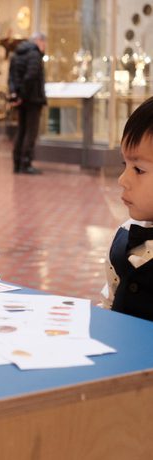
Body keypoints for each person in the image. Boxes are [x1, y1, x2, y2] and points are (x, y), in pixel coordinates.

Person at [101, 96, 153, 321]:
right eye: (125, 165)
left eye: (139, 170)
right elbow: (109, 301)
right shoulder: (125, 234)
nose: (123, 179)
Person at [8, 32, 47, 174]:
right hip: (32, 99)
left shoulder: (16, 54)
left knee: (21, 130)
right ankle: (26, 164)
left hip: (22, 99)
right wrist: (23, 95)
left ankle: (17, 163)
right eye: (44, 43)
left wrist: (16, 95)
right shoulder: (34, 55)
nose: (44, 47)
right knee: (31, 132)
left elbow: (11, 78)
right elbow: (31, 76)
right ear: (39, 41)